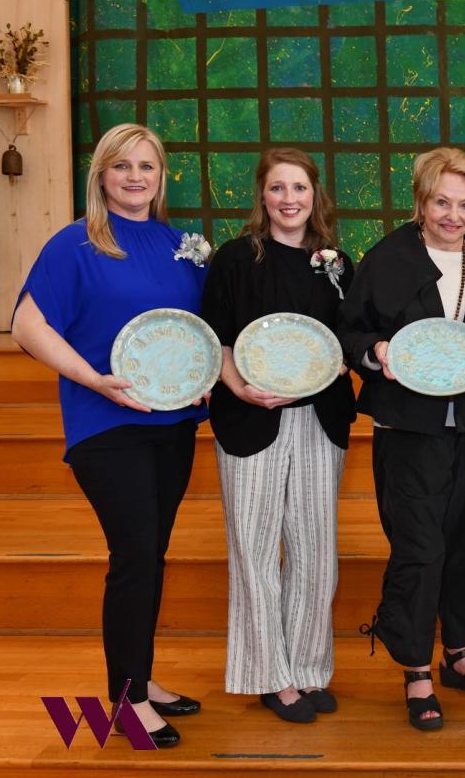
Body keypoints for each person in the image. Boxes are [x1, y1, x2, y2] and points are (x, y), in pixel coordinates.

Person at [10, 123, 208, 748]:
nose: (135, 177)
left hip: (172, 424)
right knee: (133, 555)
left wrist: (207, 375)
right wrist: (93, 380)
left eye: (147, 166)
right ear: (100, 175)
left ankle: (141, 683)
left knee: (151, 555)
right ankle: (125, 700)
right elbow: (26, 326)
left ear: (161, 175)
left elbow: (197, 332)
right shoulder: (75, 243)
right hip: (107, 424)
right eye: (122, 166)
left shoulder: (184, 245)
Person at [337, 147, 465, 732]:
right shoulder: (386, 259)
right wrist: (376, 352)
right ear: (421, 201)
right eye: (442, 201)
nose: (453, 214)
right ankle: (416, 667)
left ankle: (459, 650)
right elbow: (350, 334)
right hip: (407, 430)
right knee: (419, 546)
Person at [200, 148, 355, 724]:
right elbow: (213, 336)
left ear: (316, 196)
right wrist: (238, 386)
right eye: (277, 188)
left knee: (316, 554)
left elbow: (352, 338)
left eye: (300, 188)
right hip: (250, 418)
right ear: (262, 196)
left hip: (320, 419)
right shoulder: (237, 258)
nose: (289, 199)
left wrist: (337, 365)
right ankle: (271, 674)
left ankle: (310, 669)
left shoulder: (336, 263)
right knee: (257, 548)